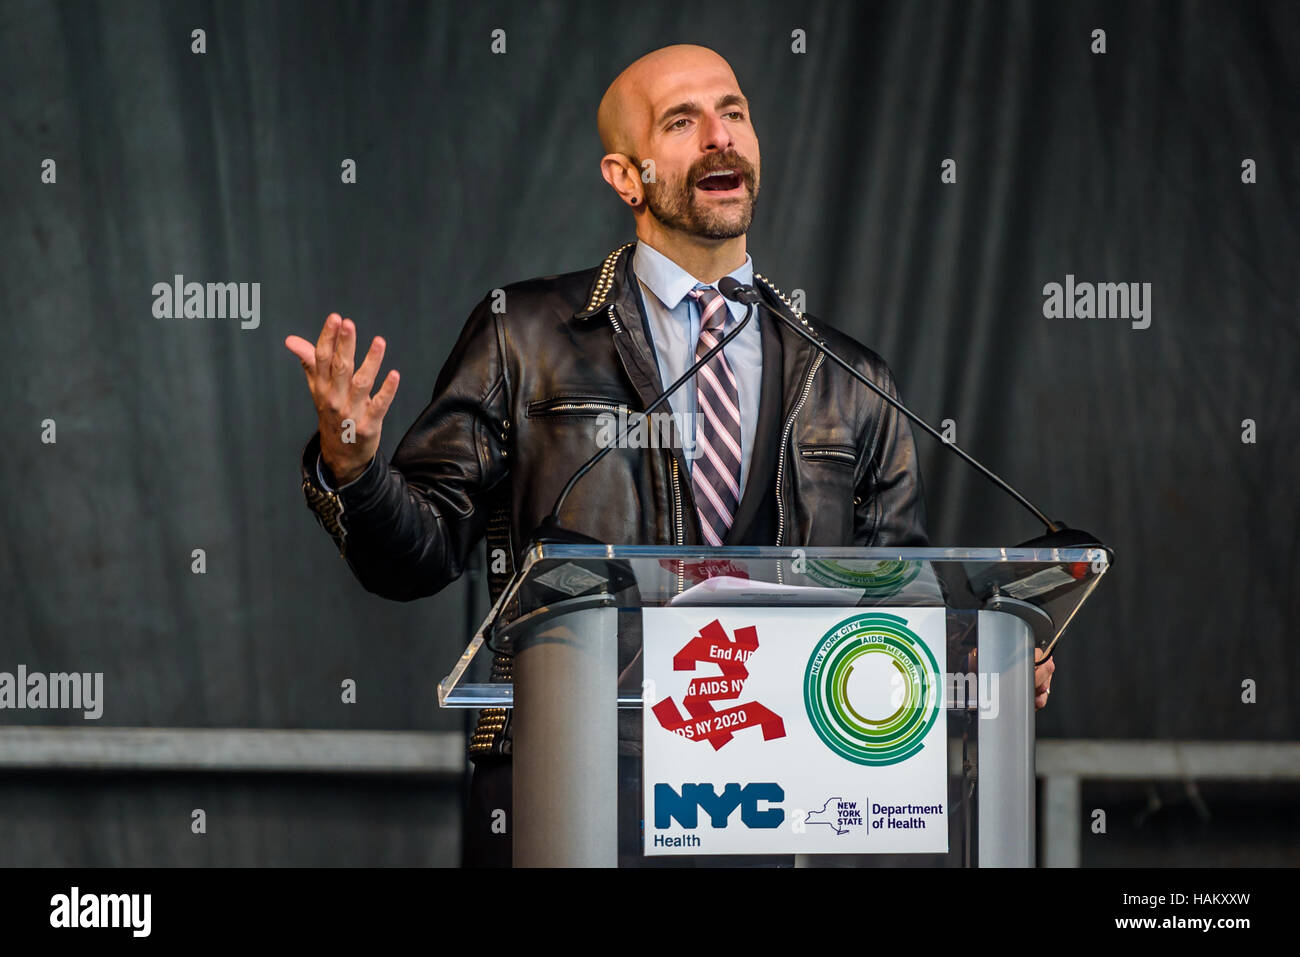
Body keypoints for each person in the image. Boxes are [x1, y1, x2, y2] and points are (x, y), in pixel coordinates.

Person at [284, 44, 1054, 866]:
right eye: (682, 122)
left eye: (734, 112)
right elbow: (419, 553)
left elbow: (893, 595)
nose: (720, 137)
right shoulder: (527, 336)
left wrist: (973, 648)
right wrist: (355, 467)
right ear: (626, 175)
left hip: (791, 798)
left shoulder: (850, 377)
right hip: (578, 786)